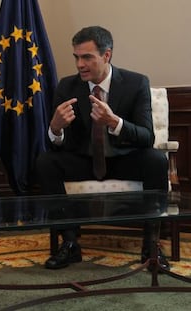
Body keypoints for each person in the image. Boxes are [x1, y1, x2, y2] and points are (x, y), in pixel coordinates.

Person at [35, 26, 169, 271]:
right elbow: (57, 145)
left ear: (106, 55)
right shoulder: (66, 86)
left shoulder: (136, 83)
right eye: (76, 57)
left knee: (156, 160)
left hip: (123, 159)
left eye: (87, 57)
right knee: (46, 162)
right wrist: (55, 128)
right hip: (84, 160)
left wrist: (114, 122)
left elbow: (146, 137)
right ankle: (70, 243)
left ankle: (151, 245)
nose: (79, 64)